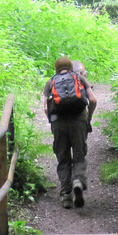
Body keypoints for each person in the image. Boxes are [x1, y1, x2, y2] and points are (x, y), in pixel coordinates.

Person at [43, 56, 97, 209]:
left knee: (63, 157)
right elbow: (92, 100)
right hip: (79, 120)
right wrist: (88, 117)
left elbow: (46, 107)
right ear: (71, 67)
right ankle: (78, 181)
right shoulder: (79, 78)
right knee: (79, 155)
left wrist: (52, 122)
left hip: (59, 122)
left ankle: (66, 195)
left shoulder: (51, 81)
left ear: (56, 68)